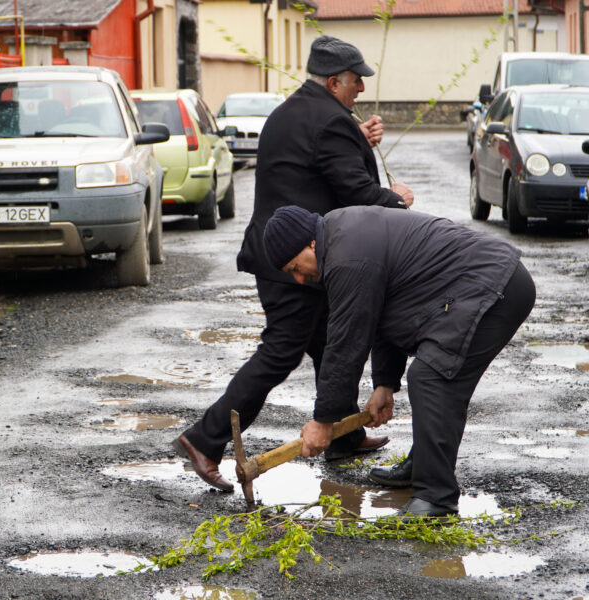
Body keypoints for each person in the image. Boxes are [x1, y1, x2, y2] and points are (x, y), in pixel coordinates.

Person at [173, 35, 414, 491]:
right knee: (282, 349)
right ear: (333, 80)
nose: (361, 88)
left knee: (326, 342)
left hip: (284, 249)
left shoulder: (296, 111)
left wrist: (356, 140)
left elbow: (311, 162)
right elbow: (355, 193)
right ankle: (204, 439)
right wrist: (395, 199)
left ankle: (343, 433)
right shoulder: (329, 122)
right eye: (355, 80)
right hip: (293, 259)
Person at [262, 205, 535, 517]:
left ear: (309, 243)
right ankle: (424, 467)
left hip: (494, 286)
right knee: (432, 375)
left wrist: (324, 421)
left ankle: (435, 498)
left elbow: (346, 343)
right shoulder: (343, 236)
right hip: (487, 281)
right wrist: (384, 384)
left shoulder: (347, 257)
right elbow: (379, 314)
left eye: (295, 267)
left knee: (432, 377)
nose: (299, 278)